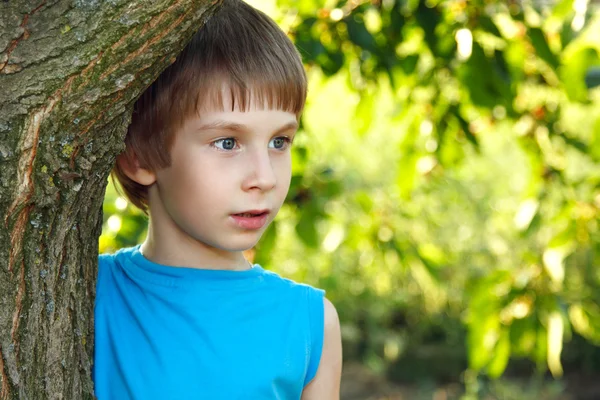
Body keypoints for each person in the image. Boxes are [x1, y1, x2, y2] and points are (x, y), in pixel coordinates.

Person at [93, 0, 342, 399]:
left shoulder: (310, 324)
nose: (264, 177)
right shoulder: (91, 293)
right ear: (137, 157)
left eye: (280, 141)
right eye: (227, 142)